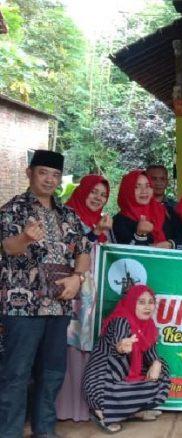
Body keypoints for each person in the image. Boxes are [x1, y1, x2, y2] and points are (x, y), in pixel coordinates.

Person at [0, 150, 91, 438]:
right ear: (30, 173)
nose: (49, 179)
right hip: (23, 305)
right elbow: (8, 247)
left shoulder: (68, 214)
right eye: (43, 173)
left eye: (55, 175)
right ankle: (9, 432)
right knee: (16, 373)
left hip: (59, 305)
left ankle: (45, 431)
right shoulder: (13, 209)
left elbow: (83, 251)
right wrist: (26, 237)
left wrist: (78, 278)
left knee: (52, 372)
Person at [57, 174, 112, 422]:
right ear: (82, 191)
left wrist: (100, 232)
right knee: (70, 347)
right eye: (94, 192)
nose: (98, 198)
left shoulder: (103, 223)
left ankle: (86, 407)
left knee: (88, 347)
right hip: (73, 296)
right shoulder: (66, 216)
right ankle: (65, 409)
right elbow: (70, 251)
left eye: (103, 195)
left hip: (92, 299)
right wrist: (94, 233)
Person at [82, 284, 170, 433]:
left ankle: (131, 411)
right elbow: (119, 343)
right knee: (119, 363)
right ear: (131, 303)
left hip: (123, 378)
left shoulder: (148, 326)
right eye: (141, 302)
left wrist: (156, 363)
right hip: (102, 384)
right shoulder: (121, 320)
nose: (147, 307)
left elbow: (151, 354)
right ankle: (101, 413)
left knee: (162, 369)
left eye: (151, 302)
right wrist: (121, 348)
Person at [112, 170, 182, 249]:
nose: (144, 191)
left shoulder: (167, 212)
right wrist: (140, 235)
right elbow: (123, 254)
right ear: (128, 190)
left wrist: (170, 244)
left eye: (148, 186)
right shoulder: (119, 221)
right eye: (137, 187)